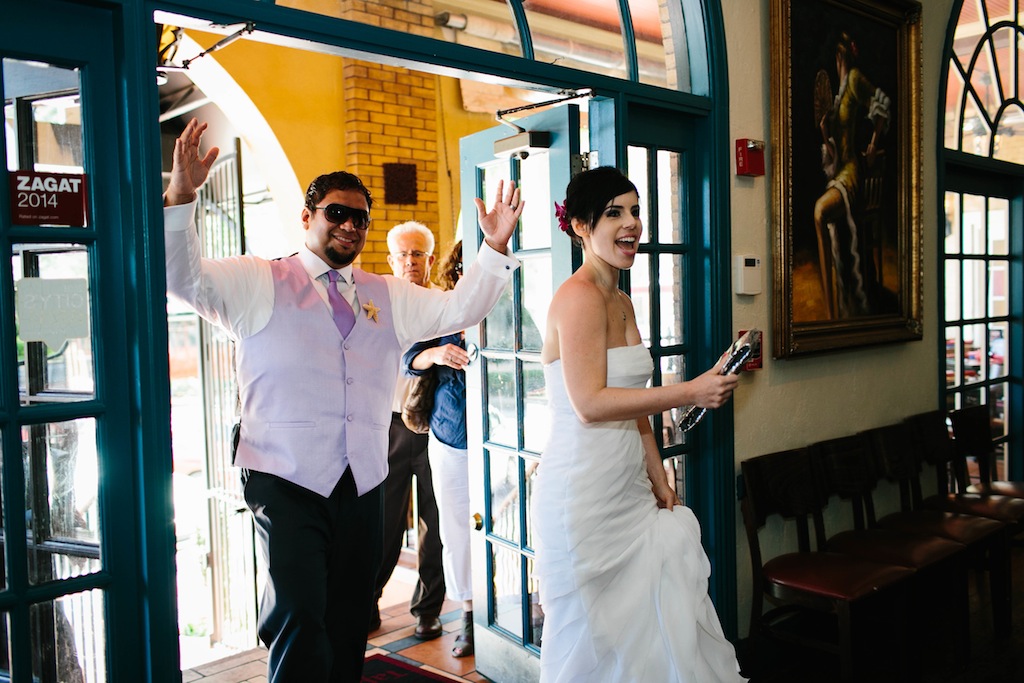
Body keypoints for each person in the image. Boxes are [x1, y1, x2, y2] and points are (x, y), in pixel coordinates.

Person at [162, 118, 523, 682]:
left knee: (351, 617)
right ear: (306, 218)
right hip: (284, 482)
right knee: (299, 615)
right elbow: (181, 278)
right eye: (337, 213)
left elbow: (459, 308)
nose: (350, 226)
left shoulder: (387, 294)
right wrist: (181, 195)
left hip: (362, 483)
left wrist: (494, 245)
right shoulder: (259, 281)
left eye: (360, 218)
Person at [532, 166, 746, 682]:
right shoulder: (578, 297)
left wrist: (658, 477)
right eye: (614, 213)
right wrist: (693, 390)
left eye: (635, 211)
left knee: (648, 633)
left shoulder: (622, 300)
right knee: (596, 640)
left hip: (628, 489)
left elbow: (633, 407)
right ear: (581, 226)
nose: (631, 224)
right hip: (583, 494)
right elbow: (591, 403)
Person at [371, 221, 446, 640]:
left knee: (433, 525)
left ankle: (428, 609)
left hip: (436, 426)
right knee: (382, 520)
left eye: (417, 254)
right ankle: (368, 601)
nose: (410, 261)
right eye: (402, 254)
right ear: (390, 259)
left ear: (430, 260)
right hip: (389, 426)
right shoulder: (375, 304)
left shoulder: (444, 305)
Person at [403, 241, 475, 657]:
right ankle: (468, 614)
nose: (469, 275)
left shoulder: (508, 310)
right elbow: (407, 360)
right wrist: (436, 352)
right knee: (454, 528)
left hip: (500, 438)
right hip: (449, 436)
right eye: (464, 267)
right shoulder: (443, 312)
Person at [813, 29, 891, 319]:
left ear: (840, 54)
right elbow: (833, 157)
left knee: (820, 212)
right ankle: (835, 312)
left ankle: (834, 313)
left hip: (854, 174)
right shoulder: (837, 96)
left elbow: (881, 104)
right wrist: (824, 132)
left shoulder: (855, 80)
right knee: (821, 215)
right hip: (840, 172)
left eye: (837, 57)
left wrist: (872, 144)